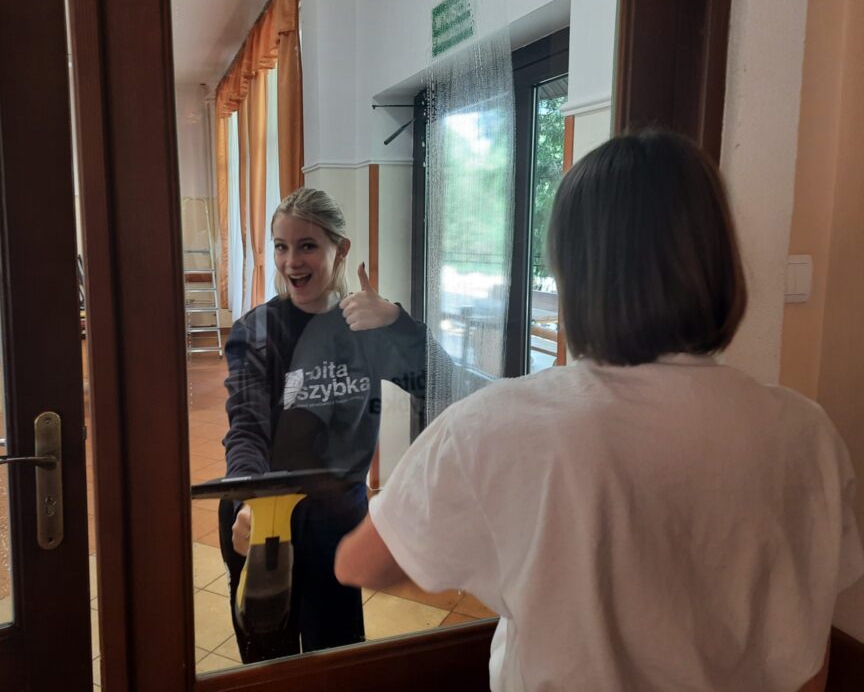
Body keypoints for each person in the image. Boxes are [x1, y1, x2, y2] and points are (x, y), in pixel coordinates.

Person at [334, 129, 864, 692]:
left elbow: (359, 563)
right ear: (718, 263)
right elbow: (808, 649)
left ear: (575, 274)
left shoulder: (494, 426)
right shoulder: (807, 431)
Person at [219, 186, 435, 663]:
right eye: (281, 246)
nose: (291, 261)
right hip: (262, 519)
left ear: (341, 248)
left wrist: (397, 322)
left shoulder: (366, 325)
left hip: (337, 519)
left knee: (337, 659)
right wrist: (249, 497)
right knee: (269, 662)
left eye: (307, 245)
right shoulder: (256, 330)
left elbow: (439, 384)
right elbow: (246, 428)